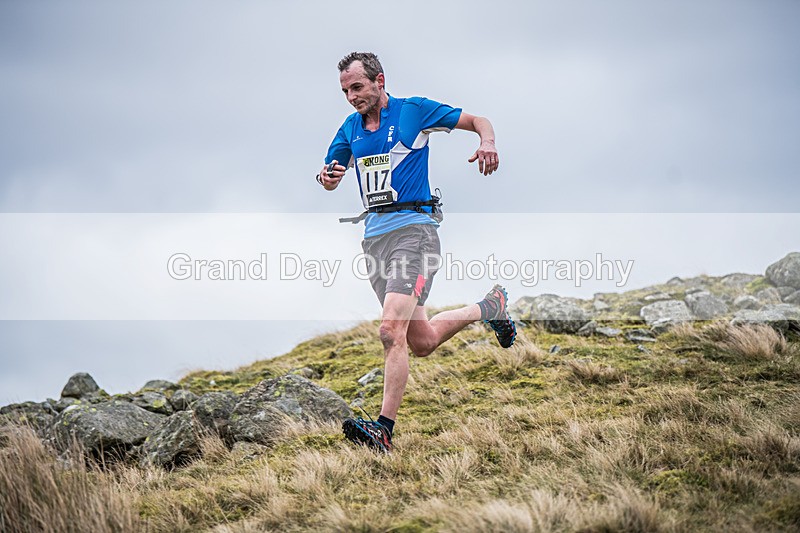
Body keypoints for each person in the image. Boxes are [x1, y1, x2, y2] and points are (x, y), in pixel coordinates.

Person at [318, 52, 516, 453]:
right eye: (345, 91)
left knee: (390, 331)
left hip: (415, 233)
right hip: (375, 241)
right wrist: (327, 177)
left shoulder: (414, 112)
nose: (352, 97)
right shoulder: (350, 128)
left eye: (357, 87)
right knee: (420, 341)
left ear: (379, 80)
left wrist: (488, 142)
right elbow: (329, 174)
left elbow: (479, 121)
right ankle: (490, 306)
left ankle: (383, 430)